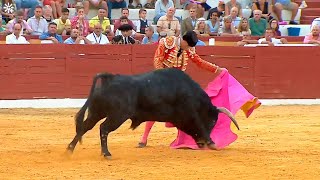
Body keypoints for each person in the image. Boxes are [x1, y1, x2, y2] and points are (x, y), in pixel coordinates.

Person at [138, 31, 261, 150]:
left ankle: (200, 139)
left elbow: (199, 62)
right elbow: (157, 60)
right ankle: (144, 138)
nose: (189, 49)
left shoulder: (188, 48)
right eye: (189, 46)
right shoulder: (167, 42)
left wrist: (217, 69)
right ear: (184, 41)